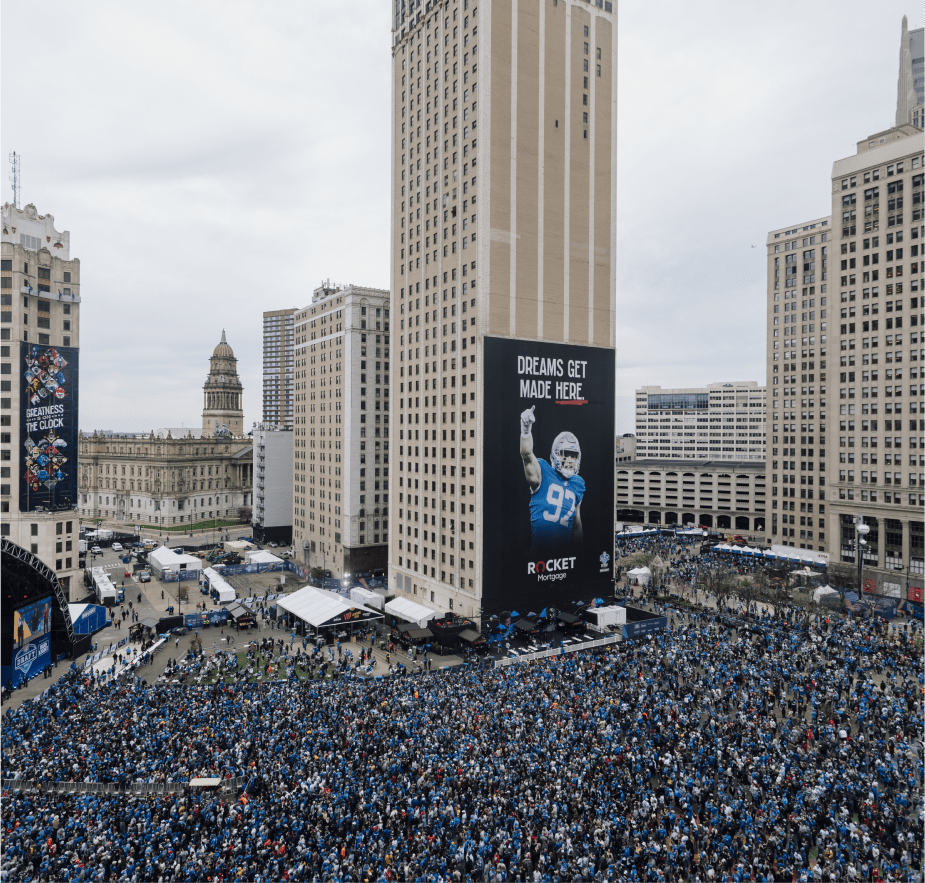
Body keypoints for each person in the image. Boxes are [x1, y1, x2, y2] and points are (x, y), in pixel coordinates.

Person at [520, 405, 585, 550]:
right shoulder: (543, 472)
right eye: (565, 454)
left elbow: (576, 525)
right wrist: (525, 429)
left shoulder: (578, 484)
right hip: (539, 556)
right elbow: (527, 455)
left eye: (573, 455)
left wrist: (581, 555)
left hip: (564, 557)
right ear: (554, 456)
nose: (569, 459)